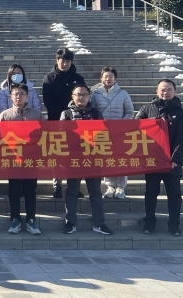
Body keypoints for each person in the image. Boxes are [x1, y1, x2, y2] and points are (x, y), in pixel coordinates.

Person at [136, 79, 183, 237]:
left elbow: (182, 139)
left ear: (175, 92)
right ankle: (149, 223)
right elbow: (135, 127)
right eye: (163, 89)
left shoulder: (181, 113)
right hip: (152, 160)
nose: (166, 92)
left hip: (172, 162)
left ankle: (174, 225)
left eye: (169, 89)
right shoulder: (147, 109)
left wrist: (176, 160)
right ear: (156, 91)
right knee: (151, 193)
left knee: (174, 195)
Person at [60, 84, 113, 236]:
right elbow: (61, 134)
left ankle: (99, 223)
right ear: (73, 97)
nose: (81, 97)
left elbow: (104, 133)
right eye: (78, 94)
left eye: (84, 94)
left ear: (89, 96)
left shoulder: (96, 113)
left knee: (95, 191)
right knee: (72, 191)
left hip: (93, 158)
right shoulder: (66, 114)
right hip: (74, 158)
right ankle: (70, 222)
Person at [0, 84, 43, 235]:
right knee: (14, 190)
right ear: (10, 97)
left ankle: (31, 220)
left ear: (28, 96)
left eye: (22, 94)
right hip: (13, 159)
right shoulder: (5, 115)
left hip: (31, 159)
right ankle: (15, 219)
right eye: (16, 94)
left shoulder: (37, 114)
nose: (19, 97)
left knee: (30, 190)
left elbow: (45, 135)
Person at [42, 49, 85, 199]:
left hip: (75, 123)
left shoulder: (78, 78)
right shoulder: (49, 78)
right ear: (57, 60)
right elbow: (48, 101)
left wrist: (71, 114)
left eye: (68, 61)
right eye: (62, 60)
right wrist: (63, 115)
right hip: (55, 122)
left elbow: (82, 97)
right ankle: (57, 186)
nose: (65, 63)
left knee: (75, 155)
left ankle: (74, 186)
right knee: (57, 154)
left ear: (71, 62)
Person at [91, 67, 135, 199]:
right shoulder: (95, 94)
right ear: (101, 78)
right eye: (105, 76)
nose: (108, 79)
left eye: (111, 76)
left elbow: (130, 112)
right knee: (107, 159)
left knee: (121, 159)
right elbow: (92, 112)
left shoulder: (123, 93)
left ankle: (121, 187)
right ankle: (110, 186)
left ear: (115, 78)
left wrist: (121, 124)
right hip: (103, 132)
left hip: (120, 132)